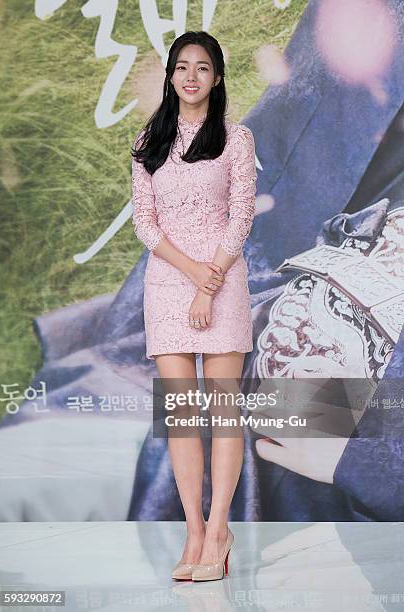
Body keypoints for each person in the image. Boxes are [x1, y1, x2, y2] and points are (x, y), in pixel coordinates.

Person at [130, 31, 257, 581]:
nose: (190, 77)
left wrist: (209, 286)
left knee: (223, 410)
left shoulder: (236, 137)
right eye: (182, 67)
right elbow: (144, 222)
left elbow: (242, 215)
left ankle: (221, 527)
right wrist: (189, 276)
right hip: (167, 284)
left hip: (223, 281)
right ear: (171, 76)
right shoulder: (146, 142)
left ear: (218, 78)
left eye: (202, 68)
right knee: (182, 417)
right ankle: (195, 533)